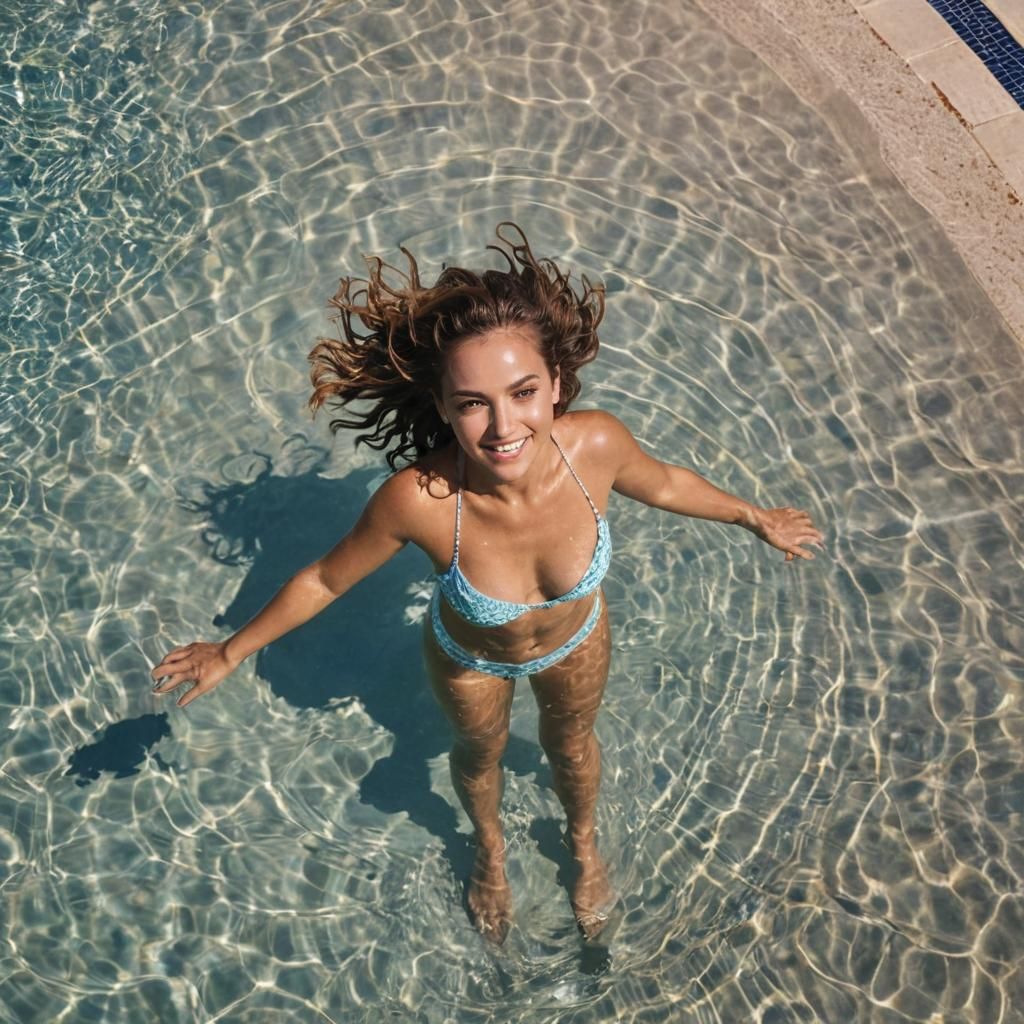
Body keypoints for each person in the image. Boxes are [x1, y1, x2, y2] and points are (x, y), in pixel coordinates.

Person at [150, 223, 824, 944]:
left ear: (556, 386)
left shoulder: (595, 446)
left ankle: (584, 845)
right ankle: (491, 853)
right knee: (481, 755)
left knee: (573, 747)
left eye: (524, 392)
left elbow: (663, 484)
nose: (503, 425)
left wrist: (752, 517)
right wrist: (231, 651)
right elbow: (323, 577)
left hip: (576, 640)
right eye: (473, 403)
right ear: (443, 408)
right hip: (473, 660)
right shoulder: (423, 500)